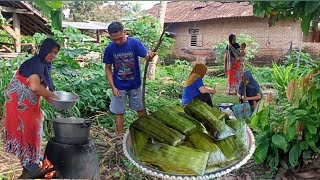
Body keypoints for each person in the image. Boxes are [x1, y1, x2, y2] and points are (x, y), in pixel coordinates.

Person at [4, 38, 60, 178]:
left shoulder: (43, 64)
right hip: (19, 100)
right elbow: (35, 87)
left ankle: (32, 157)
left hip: (27, 99)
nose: (53, 55)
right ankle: (29, 163)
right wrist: (54, 96)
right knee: (28, 128)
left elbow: (42, 88)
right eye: (51, 52)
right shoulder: (36, 64)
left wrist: (55, 102)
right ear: (44, 49)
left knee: (35, 126)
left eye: (55, 53)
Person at [103, 21, 155, 135]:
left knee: (140, 109)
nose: (117, 41)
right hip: (118, 86)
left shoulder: (134, 43)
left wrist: (149, 55)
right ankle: (120, 136)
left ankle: (143, 133)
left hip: (134, 85)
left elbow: (146, 55)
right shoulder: (110, 48)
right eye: (114, 39)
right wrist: (113, 87)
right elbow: (107, 68)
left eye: (120, 38)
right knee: (119, 112)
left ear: (124, 32)